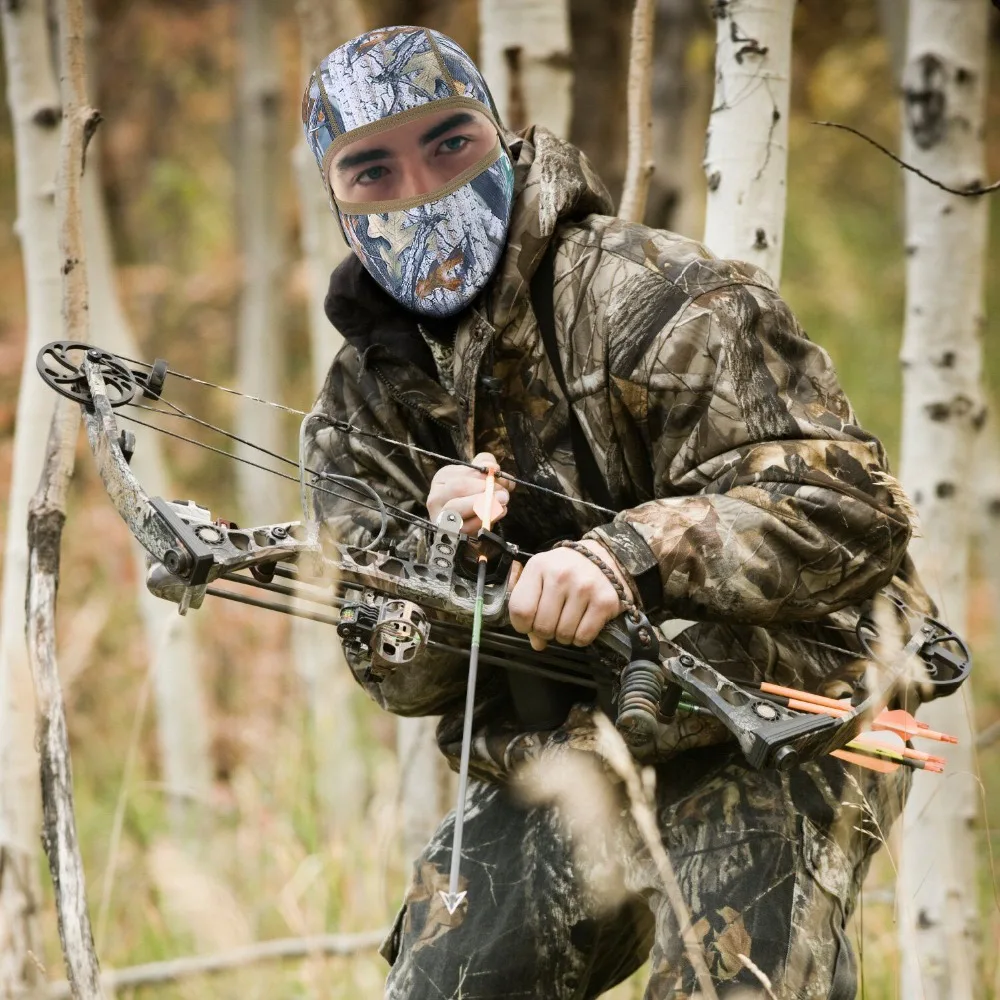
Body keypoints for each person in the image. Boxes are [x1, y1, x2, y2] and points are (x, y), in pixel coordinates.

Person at [301, 25, 929, 1000]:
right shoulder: (368, 395)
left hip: (771, 712)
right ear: (337, 198)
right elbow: (393, 668)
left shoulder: (656, 296)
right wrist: (442, 558)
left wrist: (626, 552)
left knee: (731, 980)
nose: (418, 186)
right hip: (571, 751)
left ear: (500, 139)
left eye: (448, 143)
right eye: (371, 169)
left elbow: (845, 507)